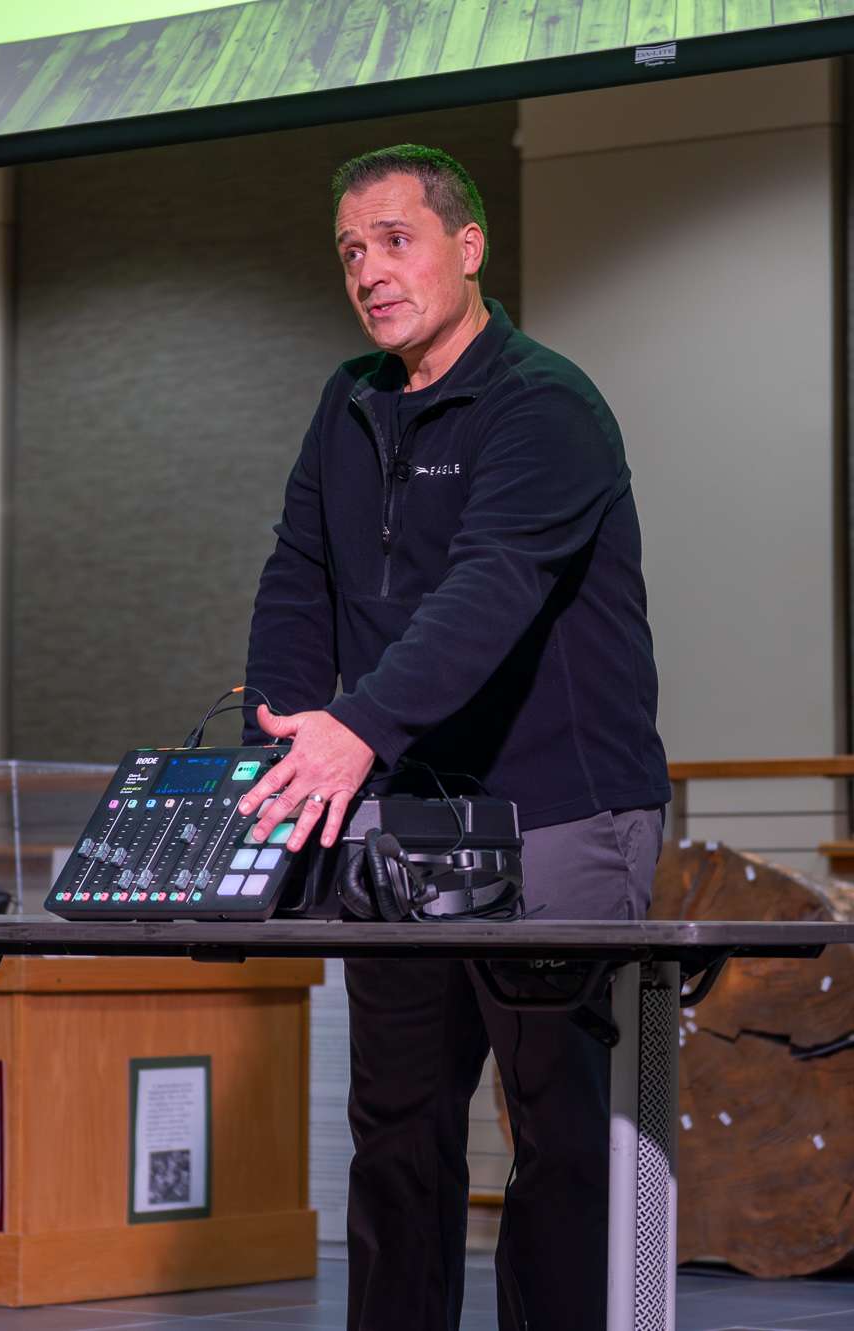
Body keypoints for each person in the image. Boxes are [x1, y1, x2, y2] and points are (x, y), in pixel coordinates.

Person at [238, 144, 671, 1331]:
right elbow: (298, 578)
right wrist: (280, 739)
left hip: (559, 814)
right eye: (349, 252)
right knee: (396, 1126)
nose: (368, 271)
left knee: (560, 1131)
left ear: (467, 246)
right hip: (402, 821)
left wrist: (355, 727)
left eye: (394, 240)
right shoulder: (346, 401)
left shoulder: (546, 404)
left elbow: (489, 587)